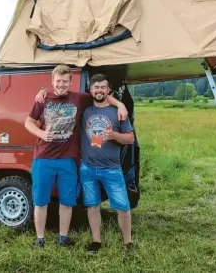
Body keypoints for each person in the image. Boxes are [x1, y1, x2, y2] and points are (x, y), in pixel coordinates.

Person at [25, 65, 128, 248]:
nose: (61, 85)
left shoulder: (79, 98)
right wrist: (41, 134)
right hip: (43, 159)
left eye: (65, 81)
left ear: (71, 82)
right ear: (52, 81)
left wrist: (120, 104)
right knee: (41, 202)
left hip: (68, 160)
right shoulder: (42, 99)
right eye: (58, 81)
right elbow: (29, 122)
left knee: (67, 201)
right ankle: (40, 239)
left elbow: (102, 95)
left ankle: (63, 239)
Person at [80, 73, 135, 254]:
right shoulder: (85, 110)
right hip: (88, 168)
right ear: (91, 90)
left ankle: (128, 243)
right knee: (92, 206)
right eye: (96, 87)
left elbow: (130, 138)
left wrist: (114, 136)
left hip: (111, 168)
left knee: (123, 207)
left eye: (103, 87)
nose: (99, 90)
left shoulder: (117, 113)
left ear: (108, 89)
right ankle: (96, 242)